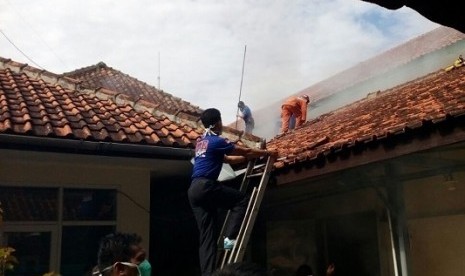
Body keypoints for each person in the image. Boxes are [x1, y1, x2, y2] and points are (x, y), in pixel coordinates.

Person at [189, 108, 278, 276]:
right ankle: (228, 242)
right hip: (206, 186)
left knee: (207, 235)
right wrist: (267, 153)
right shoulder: (217, 141)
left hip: (194, 190)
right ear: (217, 123)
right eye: (221, 120)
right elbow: (246, 151)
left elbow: (229, 159)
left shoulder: (202, 142)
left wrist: (248, 158)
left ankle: (208, 274)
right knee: (241, 201)